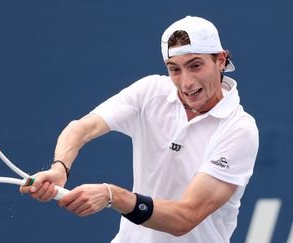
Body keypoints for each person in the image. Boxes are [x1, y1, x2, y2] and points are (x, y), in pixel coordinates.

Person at [20, 16, 259, 242]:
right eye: (174, 69)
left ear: (220, 59)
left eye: (195, 65)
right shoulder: (150, 91)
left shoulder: (239, 129)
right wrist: (60, 167)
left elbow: (185, 217)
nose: (186, 82)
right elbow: (82, 128)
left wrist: (112, 195)